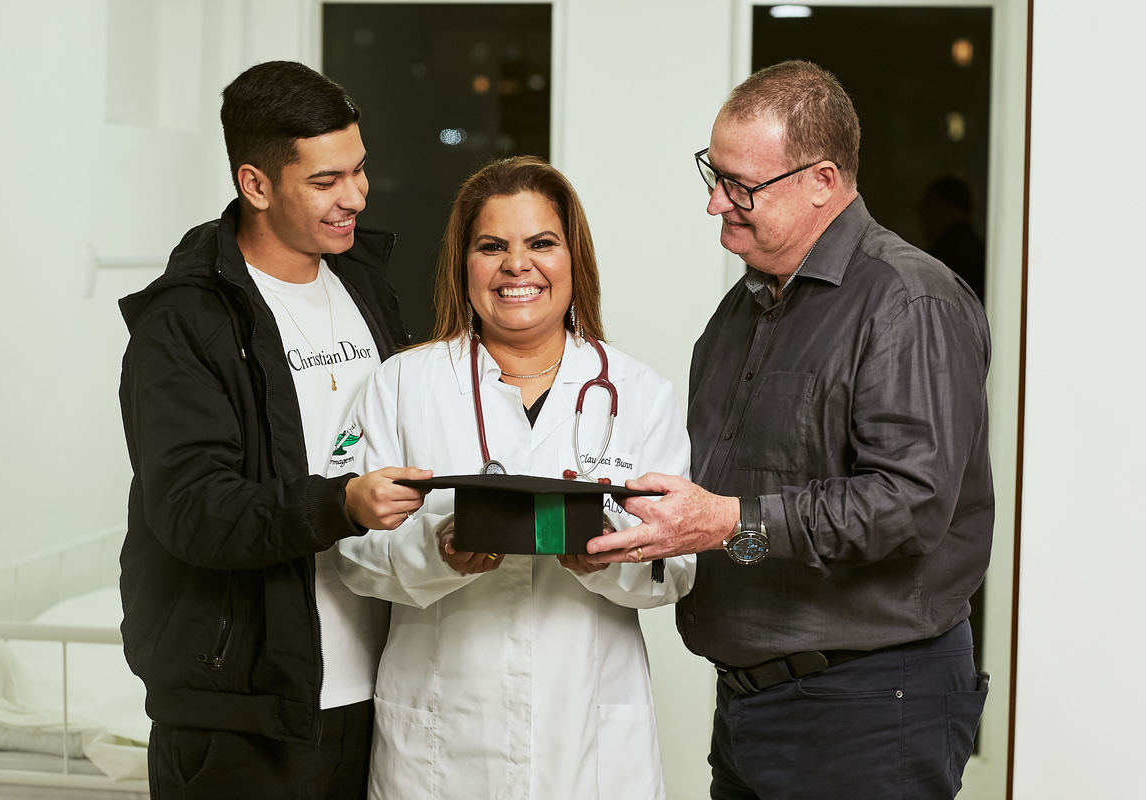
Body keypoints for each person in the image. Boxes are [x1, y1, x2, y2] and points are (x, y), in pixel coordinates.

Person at [587, 60, 993, 799]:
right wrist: (641, 532)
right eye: (714, 175)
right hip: (751, 706)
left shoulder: (909, 302)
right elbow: (749, 521)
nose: (715, 202)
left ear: (823, 181)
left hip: (867, 711)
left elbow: (910, 506)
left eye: (740, 185)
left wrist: (724, 520)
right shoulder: (741, 312)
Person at [334, 156, 696, 799]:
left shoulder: (641, 394)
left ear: (574, 260)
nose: (516, 265)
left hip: (589, 742)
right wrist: (438, 554)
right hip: (442, 745)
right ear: (464, 264)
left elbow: (679, 567)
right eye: (492, 246)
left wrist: (608, 557)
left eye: (541, 243)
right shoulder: (401, 385)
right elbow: (352, 553)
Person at [117, 60, 429, 799]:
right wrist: (340, 503)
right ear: (255, 185)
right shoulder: (184, 323)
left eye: (359, 169)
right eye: (325, 181)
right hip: (243, 714)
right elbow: (192, 509)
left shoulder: (365, 284)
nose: (355, 196)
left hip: (379, 692)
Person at [917, 174, 987, 304]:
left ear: (944, 206)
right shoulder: (984, 253)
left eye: (927, 206)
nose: (922, 216)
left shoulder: (939, 259)